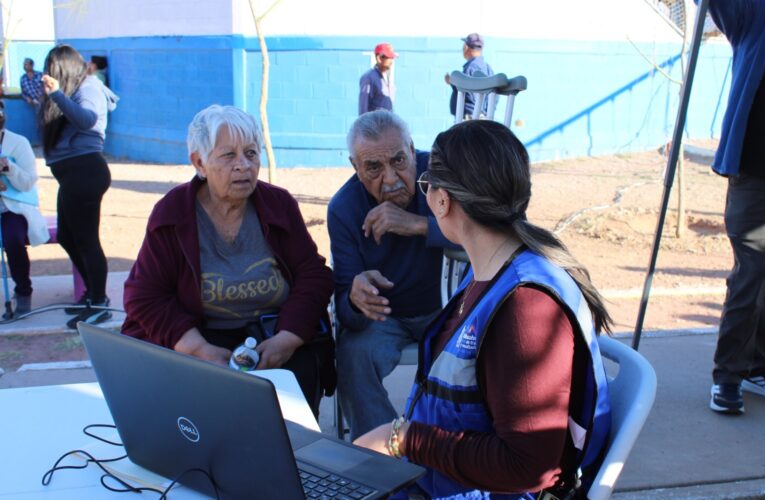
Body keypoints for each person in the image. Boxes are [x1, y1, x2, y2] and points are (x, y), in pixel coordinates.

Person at [353, 120, 612, 498]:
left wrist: (404, 439)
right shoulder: (489, 272)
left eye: (427, 184)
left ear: (442, 201)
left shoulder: (526, 307)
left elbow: (528, 467)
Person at [122, 105, 335, 415]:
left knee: (292, 409)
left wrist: (288, 338)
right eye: (228, 156)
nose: (243, 166)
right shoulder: (173, 213)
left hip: (274, 333)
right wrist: (197, 349)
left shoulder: (279, 205)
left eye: (251, 153)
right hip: (203, 335)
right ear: (199, 162)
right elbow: (145, 296)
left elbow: (313, 275)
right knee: (202, 413)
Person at [328, 110, 452, 439]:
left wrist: (419, 225)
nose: (391, 178)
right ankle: (383, 454)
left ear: (413, 150)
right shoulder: (344, 208)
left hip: (449, 309)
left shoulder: (444, 175)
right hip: (387, 317)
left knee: (480, 346)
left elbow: (486, 232)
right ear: (355, 168)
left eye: (399, 160)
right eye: (373, 168)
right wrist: (356, 300)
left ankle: (452, 449)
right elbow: (345, 312)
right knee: (354, 354)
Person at [705, 0, 765, 415]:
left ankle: (762, 367)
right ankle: (728, 375)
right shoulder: (759, 13)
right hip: (760, 178)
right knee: (752, 277)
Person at [39, 44, 119, 330]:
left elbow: (87, 120)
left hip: (86, 172)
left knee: (87, 241)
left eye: (53, 69)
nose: (49, 75)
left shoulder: (90, 88)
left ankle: (100, 303)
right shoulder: (71, 91)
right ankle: (92, 295)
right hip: (72, 175)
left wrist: (57, 95)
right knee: (67, 237)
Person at [0, 100, 49, 315]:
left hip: (15, 208)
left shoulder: (18, 143)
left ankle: (23, 291)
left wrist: (9, 168)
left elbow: (28, 182)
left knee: (13, 238)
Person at [445, 33, 494, 119]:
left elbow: (468, 93)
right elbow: (494, 95)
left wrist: (453, 82)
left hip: (469, 118)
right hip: (482, 116)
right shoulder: (488, 68)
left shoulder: (470, 67)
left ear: (466, 47)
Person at [358, 43, 397, 115]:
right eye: (388, 57)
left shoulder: (388, 78)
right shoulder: (369, 77)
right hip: (375, 124)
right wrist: (365, 126)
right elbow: (363, 108)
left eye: (392, 58)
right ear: (379, 58)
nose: (391, 61)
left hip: (387, 124)